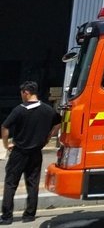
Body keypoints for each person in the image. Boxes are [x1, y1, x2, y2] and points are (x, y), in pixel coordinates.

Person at [2, 81, 62, 225]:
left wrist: (6, 145)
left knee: (11, 183)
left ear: (26, 93)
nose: (21, 96)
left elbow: (5, 127)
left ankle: (7, 217)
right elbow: (59, 122)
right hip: (36, 152)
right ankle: (29, 215)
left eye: (22, 93)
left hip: (19, 152)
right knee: (32, 183)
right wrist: (48, 137)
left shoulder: (20, 110)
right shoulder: (47, 110)